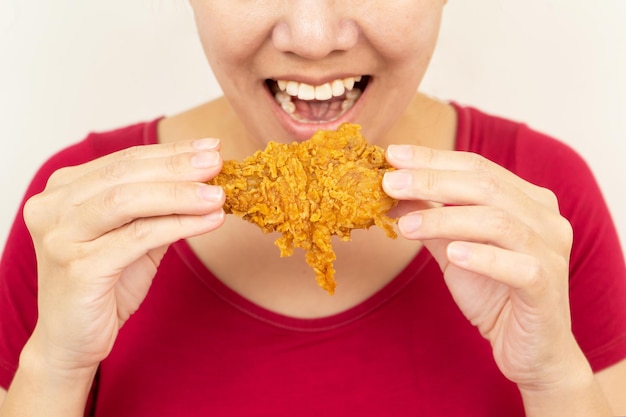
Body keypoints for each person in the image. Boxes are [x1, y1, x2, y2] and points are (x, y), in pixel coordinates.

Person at [1, 1, 625, 415]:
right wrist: (53, 368)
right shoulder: (73, 221)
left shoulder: (545, 200)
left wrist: (554, 382)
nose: (313, 38)